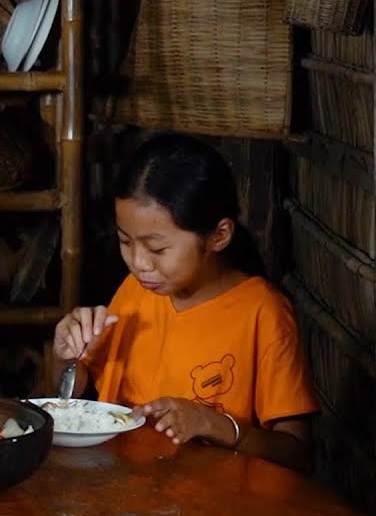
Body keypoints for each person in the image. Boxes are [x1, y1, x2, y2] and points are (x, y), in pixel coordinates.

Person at [52, 134, 317, 471]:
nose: (138, 263)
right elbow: (73, 397)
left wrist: (214, 425)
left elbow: (297, 454)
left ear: (218, 236)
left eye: (157, 248)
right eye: (125, 241)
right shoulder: (135, 291)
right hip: (122, 489)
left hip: (216, 499)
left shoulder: (262, 312)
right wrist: (66, 357)